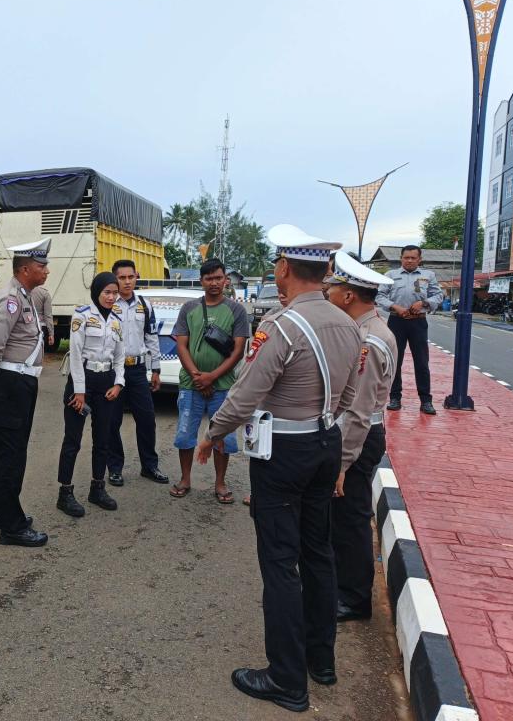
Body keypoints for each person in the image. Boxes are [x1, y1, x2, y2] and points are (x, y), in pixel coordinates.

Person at [196, 224, 361, 713]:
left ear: (285, 268)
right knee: (318, 553)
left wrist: (213, 433)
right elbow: (350, 395)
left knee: (280, 564)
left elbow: (247, 392)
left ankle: (287, 680)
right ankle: (320, 662)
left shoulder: (283, 325)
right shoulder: (349, 324)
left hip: (284, 453)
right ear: (325, 272)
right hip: (325, 441)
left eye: (276, 264)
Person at [325, 252, 397, 622]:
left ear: (349, 295)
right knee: (341, 517)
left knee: (351, 519)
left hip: (360, 436)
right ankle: (343, 588)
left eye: (335, 287)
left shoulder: (369, 341)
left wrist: (341, 463)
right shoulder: (363, 331)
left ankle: (354, 599)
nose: (329, 292)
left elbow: (358, 409)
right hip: (359, 433)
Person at [0, 239, 51, 547]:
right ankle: (12, 526)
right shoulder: (10, 299)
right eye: (41, 266)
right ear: (25, 269)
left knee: (9, 452)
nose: (46, 270)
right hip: (12, 383)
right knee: (12, 456)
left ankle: (0, 511)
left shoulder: (27, 296)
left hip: (19, 382)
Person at [169, 258, 249, 502]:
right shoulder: (189, 309)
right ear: (201, 281)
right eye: (209, 278)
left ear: (226, 279)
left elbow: (238, 351)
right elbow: (181, 345)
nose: (214, 283)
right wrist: (197, 377)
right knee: (185, 434)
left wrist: (212, 377)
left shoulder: (236, 310)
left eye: (218, 278)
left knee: (222, 436)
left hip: (222, 386)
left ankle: (220, 483)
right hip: (190, 384)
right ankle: (185, 478)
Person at [56, 272, 125, 516]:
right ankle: (65, 493)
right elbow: (75, 354)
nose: (111, 297)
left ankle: (97, 488)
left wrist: (118, 384)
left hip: (106, 382)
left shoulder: (117, 320)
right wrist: (79, 392)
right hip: (81, 381)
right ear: (97, 292)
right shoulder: (82, 315)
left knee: (103, 439)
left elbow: (119, 357)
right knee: (72, 440)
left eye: (114, 292)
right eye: (107, 292)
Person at [106, 259, 168, 486]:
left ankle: (149, 466)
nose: (127, 282)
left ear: (136, 277)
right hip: (114, 371)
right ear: (115, 279)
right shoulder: (108, 304)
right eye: (122, 278)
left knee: (146, 419)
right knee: (112, 421)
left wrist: (156, 369)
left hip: (138, 370)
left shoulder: (144, 304)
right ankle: (114, 468)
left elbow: (151, 337)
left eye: (130, 277)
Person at [375, 245, 443, 414]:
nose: (410, 260)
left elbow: (439, 295)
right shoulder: (390, 276)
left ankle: (426, 400)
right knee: (394, 361)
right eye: (406, 257)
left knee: (421, 362)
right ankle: (395, 397)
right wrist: (395, 306)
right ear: (401, 258)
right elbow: (379, 296)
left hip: (418, 322)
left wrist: (424, 303)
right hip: (396, 322)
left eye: (413, 258)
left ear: (419, 259)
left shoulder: (429, 276)